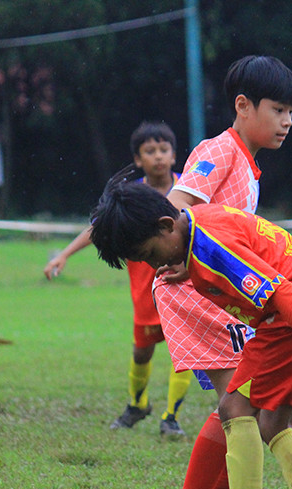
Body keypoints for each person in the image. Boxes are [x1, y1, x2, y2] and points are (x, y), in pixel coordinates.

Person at [90, 166, 292, 489]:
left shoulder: (210, 244)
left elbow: (279, 291)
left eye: (148, 255)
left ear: (165, 225)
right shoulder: (197, 231)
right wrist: (187, 268)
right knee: (273, 422)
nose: (151, 266)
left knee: (232, 406)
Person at [154, 55, 292, 489]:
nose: (287, 121)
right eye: (278, 109)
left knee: (238, 403)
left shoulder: (247, 162)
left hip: (212, 292)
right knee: (239, 403)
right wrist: (179, 256)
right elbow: (174, 208)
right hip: (191, 291)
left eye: (291, 112)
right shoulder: (219, 151)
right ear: (243, 105)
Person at [44, 121, 192, 438]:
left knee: (184, 351)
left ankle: (171, 417)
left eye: (163, 149)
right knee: (142, 352)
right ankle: (138, 405)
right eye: (149, 151)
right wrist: (65, 254)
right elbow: (97, 227)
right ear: (138, 160)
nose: (158, 157)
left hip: (183, 283)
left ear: (174, 155)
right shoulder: (129, 198)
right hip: (145, 292)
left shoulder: (190, 189)